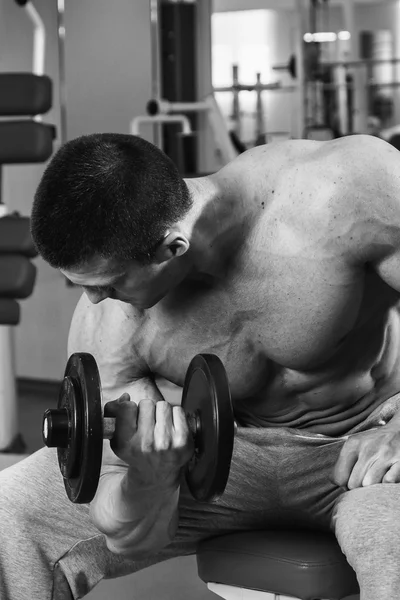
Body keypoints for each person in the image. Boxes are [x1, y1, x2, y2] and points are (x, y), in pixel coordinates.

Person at [1, 132, 400, 600]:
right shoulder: (109, 324)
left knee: (387, 533)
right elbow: (132, 532)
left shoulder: (348, 187)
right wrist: (149, 477)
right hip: (228, 461)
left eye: (107, 285)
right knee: (12, 510)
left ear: (173, 247)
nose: (92, 301)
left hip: (364, 446)